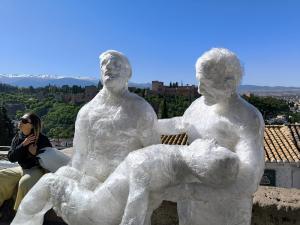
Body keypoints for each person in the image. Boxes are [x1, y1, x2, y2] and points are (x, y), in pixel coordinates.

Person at [12, 48, 265, 225]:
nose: (198, 90)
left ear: (229, 83)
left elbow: (248, 180)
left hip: (223, 210)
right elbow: (180, 123)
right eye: (198, 81)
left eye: (205, 83)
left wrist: (187, 190)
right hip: (188, 209)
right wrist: (142, 121)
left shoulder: (247, 119)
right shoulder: (199, 106)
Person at [11, 50, 160, 225]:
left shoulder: (140, 109)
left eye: (116, 64)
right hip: (91, 184)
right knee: (55, 179)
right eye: (104, 64)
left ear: (129, 73)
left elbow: (154, 157)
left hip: (122, 191)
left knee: (48, 183)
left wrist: (143, 198)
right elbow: (79, 158)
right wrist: (70, 177)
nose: (108, 67)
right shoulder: (87, 112)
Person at [0, 112, 52, 211]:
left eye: (24, 121)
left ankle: (20, 215)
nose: (20, 122)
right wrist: (23, 145)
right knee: (1, 176)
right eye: (20, 119)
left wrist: (35, 155)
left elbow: (49, 160)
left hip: (37, 170)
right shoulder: (18, 138)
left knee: (25, 183)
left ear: (32, 125)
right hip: (21, 168)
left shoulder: (42, 139)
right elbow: (11, 157)